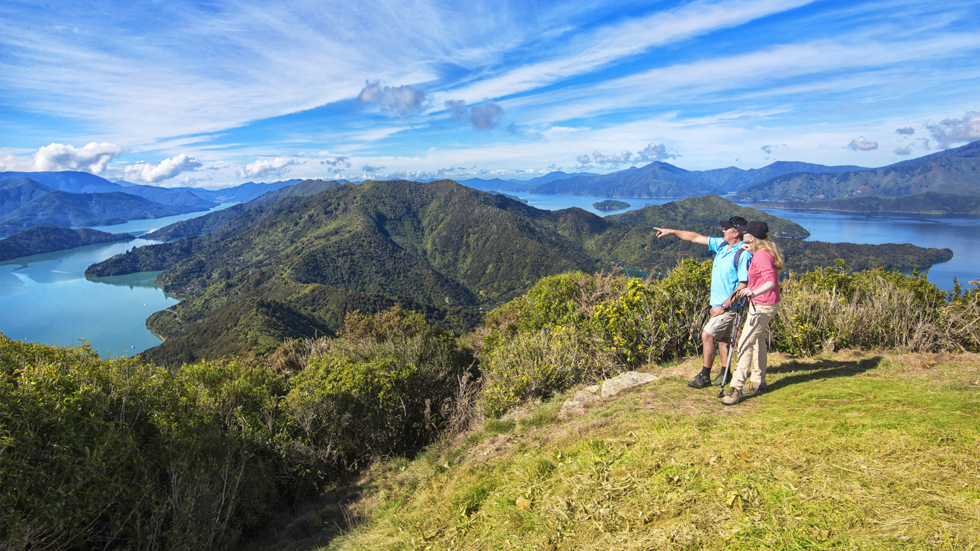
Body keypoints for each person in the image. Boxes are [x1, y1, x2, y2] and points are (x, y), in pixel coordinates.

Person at [653, 216, 752, 389]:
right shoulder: (722, 245)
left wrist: (724, 306)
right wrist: (671, 231)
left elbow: (743, 285)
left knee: (707, 335)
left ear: (736, 233)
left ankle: (705, 374)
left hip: (728, 307)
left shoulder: (742, 254)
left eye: (727, 229)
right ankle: (725, 373)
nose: (723, 230)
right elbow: (694, 237)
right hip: (719, 305)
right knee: (723, 340)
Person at [721, 220, 784, 406]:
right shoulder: (761, 252)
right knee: (758, 340)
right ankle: (759, 380)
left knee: (745, 343)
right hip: (765, 304)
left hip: (762, 305)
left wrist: (752, 292)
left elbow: (771, 281)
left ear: (751, 236)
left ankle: (736, 388)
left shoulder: (762, 255)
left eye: (745, 233)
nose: (742, 235)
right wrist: (751, 251)